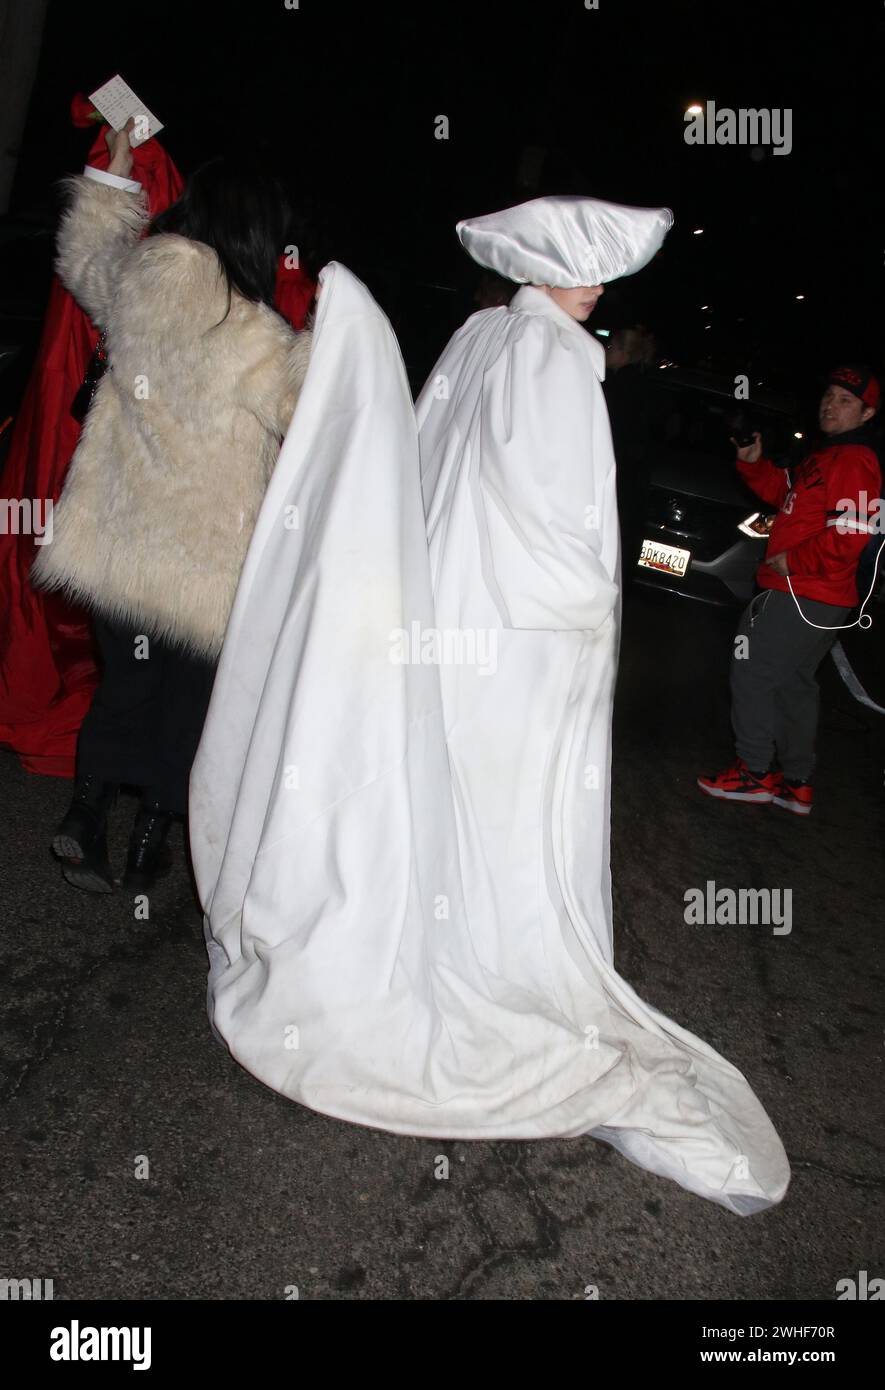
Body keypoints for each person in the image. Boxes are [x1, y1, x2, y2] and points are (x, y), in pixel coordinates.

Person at [189, 197, 789, 1215]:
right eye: (586, 270)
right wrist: (590, 611)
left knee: (447, 793)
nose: (597, 289)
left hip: (451, 625)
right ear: (552, 269)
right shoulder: (552, 359)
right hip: (518, 647)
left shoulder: (482, 334)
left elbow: (432, 462)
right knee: (509, 816)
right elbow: (555, 525)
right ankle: (482, 951)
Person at [31, 122, 312, 893]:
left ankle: (83, 820)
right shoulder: (258, 336)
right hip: (204, 570)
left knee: (123, 688)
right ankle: (152, 839)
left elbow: (84, 257)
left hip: (121, 547)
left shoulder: (138, 284)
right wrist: (332, 337)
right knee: (186, 711)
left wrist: (114, 178)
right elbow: (304, 408)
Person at [698, 365, 882, 816]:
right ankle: (796, 781)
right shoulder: (827, 456)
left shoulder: (855, 459)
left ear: (867, 413)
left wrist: (792, 561)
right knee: (796, 684)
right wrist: (753, 463)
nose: (830, 404)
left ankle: (754, 771)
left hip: (801, 591)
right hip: (814, 597)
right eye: (829, 395)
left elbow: (852, 533)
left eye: (845, 400)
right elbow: (788, 497)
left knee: (752, 668)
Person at [602, 325, 661, 576]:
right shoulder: (645, 385)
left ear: (625, 353)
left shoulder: (618, 387)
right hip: (632, 481)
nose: (607, 351)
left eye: (612, 346)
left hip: (617, 479)